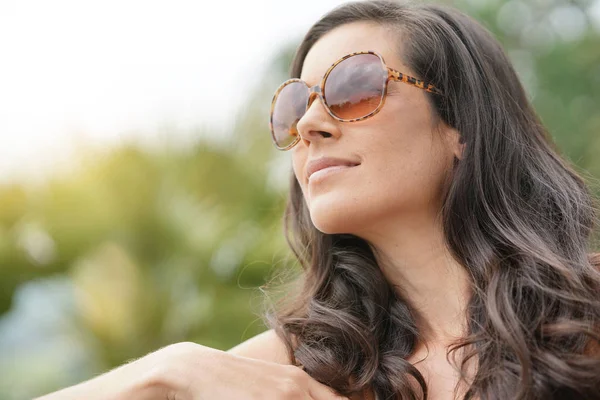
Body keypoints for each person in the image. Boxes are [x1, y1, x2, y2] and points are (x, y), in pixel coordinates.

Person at [36, 1, 600, 399]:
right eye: (294, 107)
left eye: (353, 89)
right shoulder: (300, 368)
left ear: (463, 127)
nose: (309, 124)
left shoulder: (585, 313)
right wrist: (164, 372)